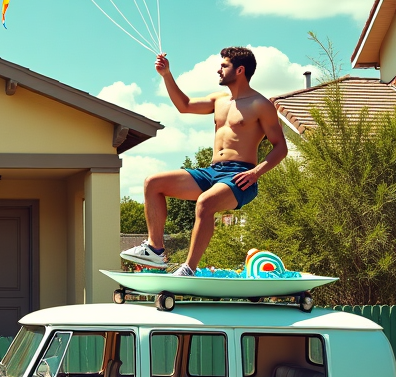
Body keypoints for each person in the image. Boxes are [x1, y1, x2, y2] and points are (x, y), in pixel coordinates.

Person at [121, 46, 287, 276]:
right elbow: (184, 106)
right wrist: (167, 75)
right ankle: (155, 249)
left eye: (224, 65)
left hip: (241, 176)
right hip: (212, 172)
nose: (219, 69)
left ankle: (189, 268)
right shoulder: (219, 100)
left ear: (240, 70)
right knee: (153, 183)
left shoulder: (261, 105)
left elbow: (281, 147)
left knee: (205, 204)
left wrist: (256, 173)